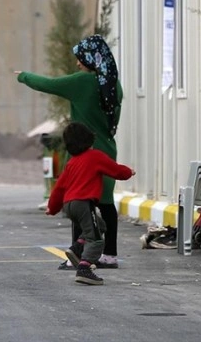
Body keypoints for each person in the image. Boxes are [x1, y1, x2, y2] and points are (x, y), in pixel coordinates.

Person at [15, 34, 124, 269]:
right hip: (106, 150)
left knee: (80, 201)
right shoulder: (114, 85)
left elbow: (48, 84)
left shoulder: (82, 82)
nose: (77, 63)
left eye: (80, 58)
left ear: (90, 59)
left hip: (84, 153)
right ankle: (110, 254)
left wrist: (23, 76)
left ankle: (78, 253)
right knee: (106, 203)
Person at [45, 122, 135, 285]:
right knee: (96, 239)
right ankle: (84, 268)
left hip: (69, 205)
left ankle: (77, 248)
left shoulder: (72, 163)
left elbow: (59, 188)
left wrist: (52, 208)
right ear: (89, 141)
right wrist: (129, 172)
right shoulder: (95, 157)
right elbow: (115, 170)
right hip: (83, 204)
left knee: (100, 226)